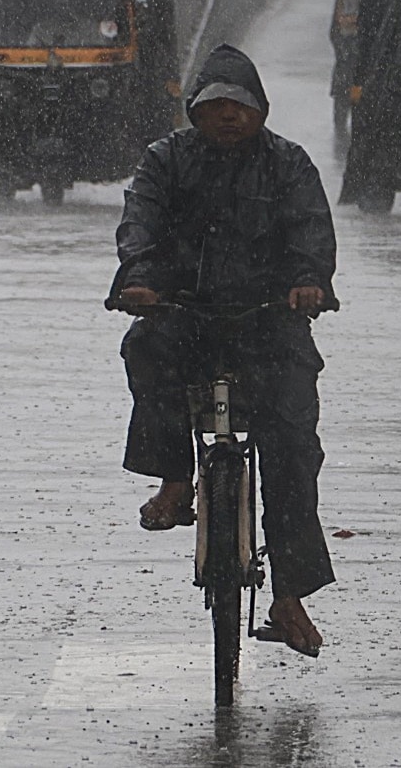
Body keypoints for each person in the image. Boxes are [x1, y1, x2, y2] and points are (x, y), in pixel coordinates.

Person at [110, 44, 337, 657]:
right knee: (146, 349)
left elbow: (311, 230)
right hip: (185, 315)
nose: (229, 116)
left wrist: (309, 280)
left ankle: (288, 597)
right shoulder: (165, 161)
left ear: (260, 110)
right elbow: (140, 225)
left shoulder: (289, 164)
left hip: (271, 324)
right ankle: (177, 480)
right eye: (215, 106)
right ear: (195, 113)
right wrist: (140, 278)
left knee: (292, 448)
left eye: (241, 105)